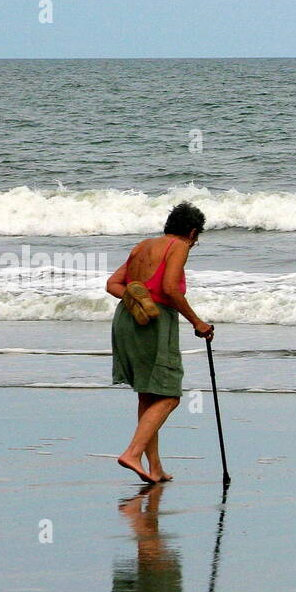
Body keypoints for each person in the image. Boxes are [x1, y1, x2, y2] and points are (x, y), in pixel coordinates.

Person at [107, 202, 214, 483]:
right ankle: (132, 453)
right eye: (197, 239)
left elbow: (113, 284)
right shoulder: (178, 246)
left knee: (148, 394)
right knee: (169, 395)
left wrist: (138, 298)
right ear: (192, 232)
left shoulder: (142, 246)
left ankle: (154, 468)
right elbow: (168, 288)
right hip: (155, 323)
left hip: (128, 318)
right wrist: (198, 323)